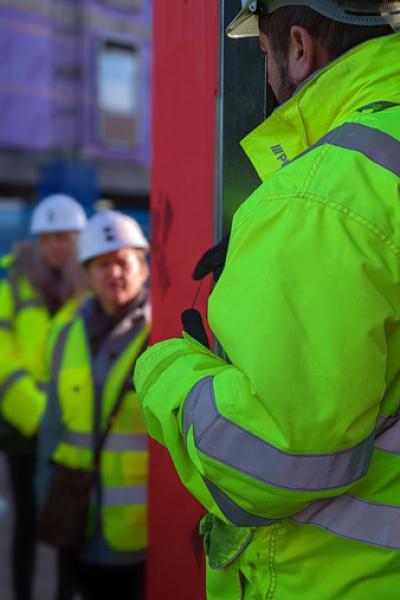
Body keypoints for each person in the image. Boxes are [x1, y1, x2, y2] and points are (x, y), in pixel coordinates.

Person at [134, 2, 400, 598]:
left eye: (264, 55)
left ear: (299, 48)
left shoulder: (322, 196)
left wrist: (162, 369)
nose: (271, 78)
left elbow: (269, 459)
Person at [38, 211, 150, 600]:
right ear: (86, 274)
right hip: (78, 517)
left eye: (123, 261)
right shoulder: (65, 334)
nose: (113, 273)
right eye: (102, 264)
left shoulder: (166, 333)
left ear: (143, 265)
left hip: (143, 529)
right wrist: (44, 494)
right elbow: (52, 425)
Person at [0, 193, 87, 600]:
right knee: (27, 523)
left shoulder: (89, 287)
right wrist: (39, 417)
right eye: (50, 238)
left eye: (66, 237)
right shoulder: (10, 281)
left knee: (71, 524)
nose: (58, 245)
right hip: (24, 427)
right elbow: (3, 358)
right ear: (37, 240)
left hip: (72, 429)